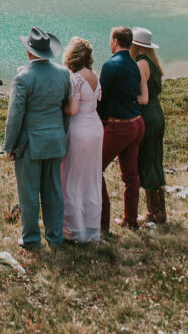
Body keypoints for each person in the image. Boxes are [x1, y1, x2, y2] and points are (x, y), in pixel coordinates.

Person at [3, 26, 71, 250]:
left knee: (29, 193)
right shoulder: (63, 73)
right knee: (54, 191)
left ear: (29, 52)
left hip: (30, 143)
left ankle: (31, 239)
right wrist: (62, 134)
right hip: (55, 139)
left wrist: (9, 146)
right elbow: (66, 109)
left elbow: (15, 116)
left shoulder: (23, 77)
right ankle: (54, 237)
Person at [98, 25, 148, 232]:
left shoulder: (111, 66)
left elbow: (101, 97)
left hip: (119, 127)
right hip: (137, 124)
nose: (110, 44)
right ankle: (130, 220)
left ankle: (102, 223)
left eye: (111, 40)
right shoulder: (135, 65)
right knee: (131, 175)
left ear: (116, 42)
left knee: (94, 169)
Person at [60, 36, 104, 243]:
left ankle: (73, 230)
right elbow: (98, 99)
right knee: (91, 179)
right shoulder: (95, 74)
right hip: (95, 127)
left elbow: (73, 109)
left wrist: (59, 106)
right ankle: (91, 229)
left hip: (79, 130)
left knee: (72, 178)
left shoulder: (76, 78)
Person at [130, 27, 166, 224]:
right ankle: (160, 211)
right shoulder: (153, 63)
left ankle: (153, 212)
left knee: (146, 160)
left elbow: (141, 96)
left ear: (134, 45)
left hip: (147, 116)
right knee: (155, 158)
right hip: (157, 113)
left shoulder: (140, 64)